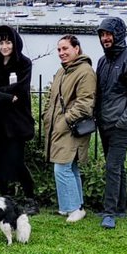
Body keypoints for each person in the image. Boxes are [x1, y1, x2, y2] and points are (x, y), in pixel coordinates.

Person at [95, 17, 127, 230]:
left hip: (121, 124)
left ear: (118, 34)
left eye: (109, 34)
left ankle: (109, 213)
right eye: (102, 35)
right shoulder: (102, 61)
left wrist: (124, 121)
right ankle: (120, 206)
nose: (105, 38)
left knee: (112, 166)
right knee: (117, 166)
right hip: (105, 122)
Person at [0, 24, 36, 202]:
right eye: (1, 43)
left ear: (15, 43)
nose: (5, 47)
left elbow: (20, 89)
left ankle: (29, 197)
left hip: (15, 122)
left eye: (8, 42)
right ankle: (5, 196)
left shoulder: (24, 64)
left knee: (16, 161)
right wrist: (4, 95)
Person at [43, 34, 96, 223]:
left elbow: (85, 103)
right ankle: (72, 206)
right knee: (69, 167)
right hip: (60, 126)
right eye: (59, 49)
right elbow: (53, 98)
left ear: (76, 49)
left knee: (62, 167)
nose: (61, 53)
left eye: (65, 49)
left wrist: (63, 121)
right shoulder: (63, 71)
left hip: (72, 127)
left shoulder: (85, 71)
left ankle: (74, 208)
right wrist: (47, 117)